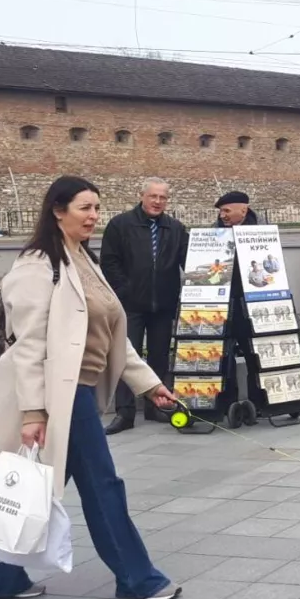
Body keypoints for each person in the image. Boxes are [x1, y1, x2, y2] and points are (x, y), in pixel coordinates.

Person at [0, 175, 184, 599]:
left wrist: (150, 384)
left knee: (44, 484)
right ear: (58, 211)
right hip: (59, 396)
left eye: (97, 208)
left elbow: (111, 335)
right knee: (103, 485)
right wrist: (32, 413)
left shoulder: (82, 259)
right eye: (85, 208)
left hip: (75, 391)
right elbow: (28, 346)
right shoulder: (36, 266)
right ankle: (138, 578)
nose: (94, 216)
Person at [100, 178, 188, 435]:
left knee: (160, 355)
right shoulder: (120, 225)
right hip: (130, 305)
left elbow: (190, 262)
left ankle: (155, 406)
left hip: (163, 304)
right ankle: (125, 412)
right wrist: (125, 291)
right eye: (153, 197)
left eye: (163, 198)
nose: (158, 202)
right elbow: (110, 263)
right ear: (142, 196)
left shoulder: (175, 228)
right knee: (126, 357)